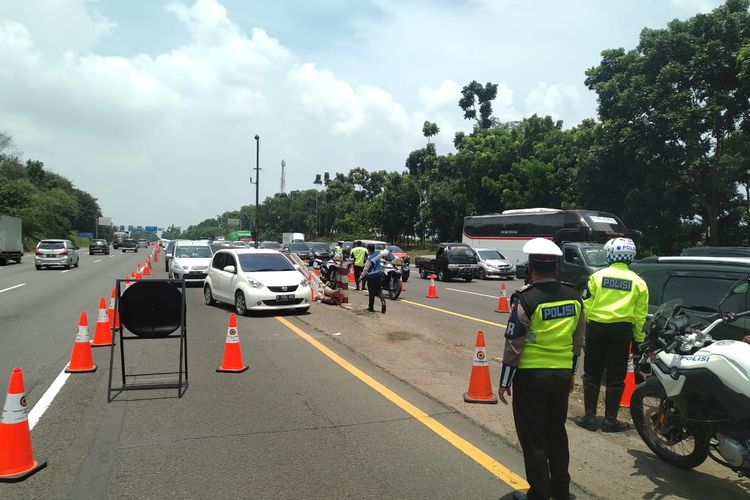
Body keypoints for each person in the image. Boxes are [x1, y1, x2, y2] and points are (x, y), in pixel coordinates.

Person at [497, 238, 584, 500]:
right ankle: (561, 493)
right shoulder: (574, 296)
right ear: (556, 269)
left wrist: (504, 381)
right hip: (560, 377)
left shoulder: (526, 299)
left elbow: (514, 344)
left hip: (532, 377)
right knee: (557, 433)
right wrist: (570, 373)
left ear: (531, 268)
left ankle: (539, 494)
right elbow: (577, 341)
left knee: (534, 439)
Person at [574, 237, 648, 433]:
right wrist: (639, 340)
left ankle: (590, 417)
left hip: (596, 329)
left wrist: (583, 330)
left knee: (592, 373)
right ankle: (610, 420)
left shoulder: (597, 277)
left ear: (610, 255)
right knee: (616, 376)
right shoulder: (639, 282)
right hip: (622, 332)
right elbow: (640, 316)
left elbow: (586, 306)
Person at [359, 243, 386, 313]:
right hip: (379, 274)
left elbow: (366, 269)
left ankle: (371, 308)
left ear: (368, 249)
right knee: (379, 290)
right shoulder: (377, 255)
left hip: (372, 276)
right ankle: (383, 302)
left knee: (371, 292)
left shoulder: (370, 257)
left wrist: (361, 277)